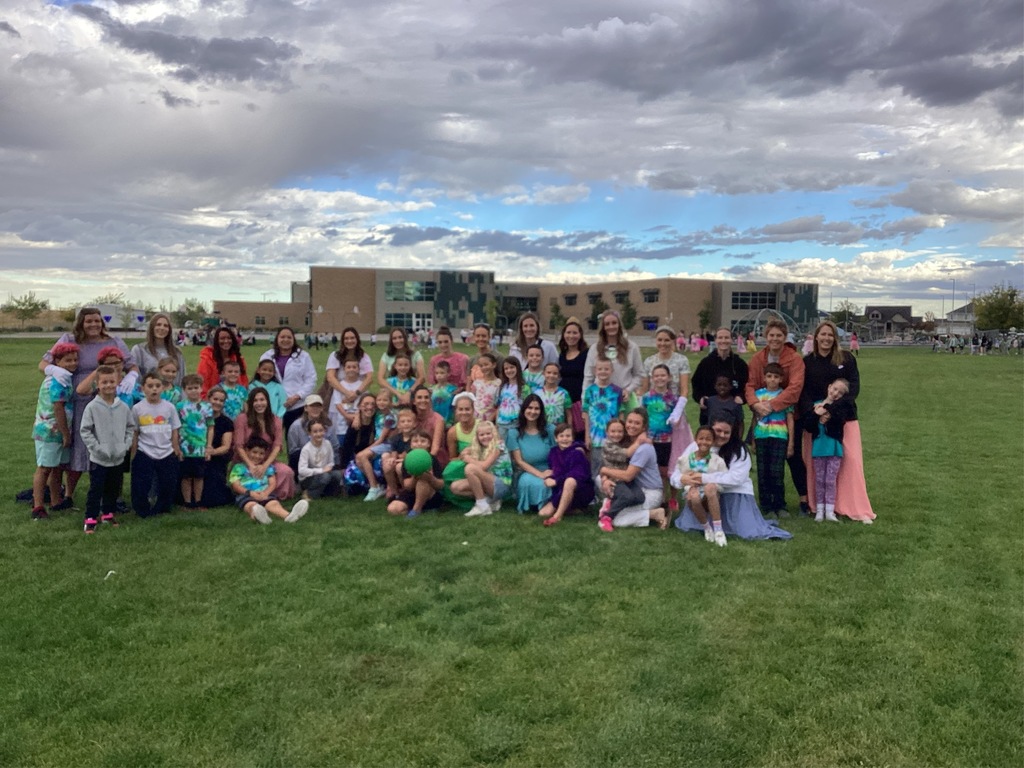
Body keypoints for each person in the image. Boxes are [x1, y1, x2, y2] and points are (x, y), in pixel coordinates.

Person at [40, 307, 134, 504]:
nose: (93, 324)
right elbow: (44, 363)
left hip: (105, 399)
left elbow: (131, 365)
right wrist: (53, 370)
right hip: (76, 401)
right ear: (81, 323)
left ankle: (108, 495)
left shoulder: (113, 341)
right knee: (77, 449)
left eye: (97, 320)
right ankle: (67, 494)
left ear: (102, 322)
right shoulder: (69, 339)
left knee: (104, 444)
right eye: (89, 321)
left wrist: (131, 376)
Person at [799, 320, 875, 523]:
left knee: (850, 462)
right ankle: (819, 506)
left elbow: (854, 388)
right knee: (817, 465)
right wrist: (816, 412)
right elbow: (803, 392)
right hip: (816, 422)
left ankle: (851, 506)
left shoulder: (847, 359)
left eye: (830, 335)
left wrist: (831, 410)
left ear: (835, 338)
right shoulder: (808, 362)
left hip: (844, 418)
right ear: (816, 337)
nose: (826, 338)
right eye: (823, 334)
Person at [673, 418, 792, 540]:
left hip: (734, 494)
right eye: (718, 431)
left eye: (726, 432)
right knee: (695, 501)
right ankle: (707, 527)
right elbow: (676, 472)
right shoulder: (697, 445)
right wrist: (682, 479)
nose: (722, 435)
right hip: (702, 494)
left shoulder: (739, 450)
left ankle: (719, 529)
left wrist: (703, 478)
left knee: (746, 532)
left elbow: (736, 479)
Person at [744, 318, 807, 513]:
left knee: (793, 461)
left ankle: (804, 500)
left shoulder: (794, 359)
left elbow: (795, 388)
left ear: (785, 337)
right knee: (763, 467)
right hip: (762, 420)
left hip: (787, 417)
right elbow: (750, 385)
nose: (775, 339)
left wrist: (771, 405)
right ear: (766, 336)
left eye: (779, 335)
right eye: (771, 335)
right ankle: (766, 503)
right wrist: (755, 404)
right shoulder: (758, 359)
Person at [79, 364, 135, 532]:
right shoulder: (92, 407)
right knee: (96, 489)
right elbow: (85, 430)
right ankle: (90, 517)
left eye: (112, 382)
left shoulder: (122, 407)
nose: (108, 385)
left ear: (117, 382)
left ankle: (108, 514)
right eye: (104, 382)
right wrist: (96, 448)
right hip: (99, 458)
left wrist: (125, 445)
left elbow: (130, 427)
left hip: (118, 456)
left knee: (113, 488)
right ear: (97, 384)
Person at [597, 408, 669, 529]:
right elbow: (610, 460)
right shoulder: (627, 441)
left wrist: (605, 471)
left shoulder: (643, 448)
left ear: (644, 427)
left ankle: (655, 514)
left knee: (618, 520)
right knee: (599, 480)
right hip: (635, 488)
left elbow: (628, 476)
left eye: (637, 423)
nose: (632, 426)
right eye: (629, 421)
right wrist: (605, 479)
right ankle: (611, 503)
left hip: (650, 493)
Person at [31, 342, 79, 519]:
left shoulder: (64, 378)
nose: (73, 363)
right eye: (68, 360)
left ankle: (56, 501)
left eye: (75, 360)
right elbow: (58, 408)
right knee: (44, 468)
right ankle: (38, 506)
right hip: (50, 432)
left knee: (58, 467)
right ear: (57, 362)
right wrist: (65, 434)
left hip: (60, 430)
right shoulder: (57, 381)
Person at [131, 372, 183, 518]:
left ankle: (163, 508)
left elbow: (174, 429)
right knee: (141, 484)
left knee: (168, 483)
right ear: (143, 388)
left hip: (166, 451)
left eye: (157, 386)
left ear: (163, 388)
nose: (154, 389)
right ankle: (142, 509)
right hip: (145, 450)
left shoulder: (169, 407)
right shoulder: (138, 408)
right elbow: (135, 432)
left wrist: (175, 448)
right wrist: (134, 452)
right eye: (150, 386)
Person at [232, 388, 296, 500]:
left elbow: (277, 446)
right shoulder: (242, 419)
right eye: (255, 400)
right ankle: (251, 494)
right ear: (251, 403)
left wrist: (265, 466)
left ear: (267, 401)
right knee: (250, 474)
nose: (259, 403)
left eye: (262, 400)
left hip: (267, 460)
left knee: (286, 472)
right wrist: (251, 466)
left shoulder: (276, 420)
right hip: (245, 461)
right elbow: (239, 446)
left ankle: (270, 495)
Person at [230, 436, 309, 524]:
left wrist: (266, 493)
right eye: (254, 452)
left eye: (261, 453)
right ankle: (259, 516)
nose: (257, 456)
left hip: (265, 493)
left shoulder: (267, 468)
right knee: (251, 506)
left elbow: (272, 483)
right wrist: (250, 493)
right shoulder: (239, 467)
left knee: (273, 504)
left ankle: (288, 516)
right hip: (246, 495)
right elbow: (236, 485)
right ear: (247, 451)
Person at [671, 425, 728, 546]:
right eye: (701, 438)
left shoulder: (718, 461)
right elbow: (678, 476)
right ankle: (707, 528)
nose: (704, 442)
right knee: (694, 496)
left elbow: (724, 480)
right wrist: (687, 485)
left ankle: (718, 530)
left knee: (710, 488)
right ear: (696, 440)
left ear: (713, 442)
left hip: (711, 493)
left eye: (708, 439)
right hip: (693, 491)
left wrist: (712, 484)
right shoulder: (684, 460)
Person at [804, 378, 852, 522]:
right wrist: (817, 415)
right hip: (819, 448)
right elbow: (808, 426)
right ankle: (819, 510)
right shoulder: (816, 405)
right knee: (820, 480)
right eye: (835, 389)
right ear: (829, 387)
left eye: (840, 393)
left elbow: (840, 419)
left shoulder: (839, 408)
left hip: (834, 449)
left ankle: (830, 510)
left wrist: (826, 410)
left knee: (830, 480)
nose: (835, 393)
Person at [751, 363, 795, 518]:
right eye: (769, 376)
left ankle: (780, 505)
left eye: (776, 377)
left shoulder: (784, 396)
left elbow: (790, 418)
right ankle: (766, 506)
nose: (772, 380)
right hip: (761, 436)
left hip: (779, 436)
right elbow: (755, 418)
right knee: (763, 472)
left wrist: (791, 443)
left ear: (781, 379)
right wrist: (753, 439)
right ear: (764, 378)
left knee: (777, 472)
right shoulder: (758, 395)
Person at [259, 326, 317, 436]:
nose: (285, 340)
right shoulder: (267, 356)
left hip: (297, 406)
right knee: (269, 437)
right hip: (273, 406)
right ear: (277, 338)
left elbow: (311, 379)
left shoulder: (303, 356)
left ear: (293, 339)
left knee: (296, 439)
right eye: (282, 337)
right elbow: (261, 379)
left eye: (289, 337)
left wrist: (297, 396)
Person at [581, 310, 644, 407]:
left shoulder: (632, 347)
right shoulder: (594, 349)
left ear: (619, 325)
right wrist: (585, 401)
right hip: (601, 400)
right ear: (603, 327)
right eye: (607, 324)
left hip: (625, 398)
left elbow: (639, 375)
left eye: (614, 323)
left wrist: (628, 390)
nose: (611, 326)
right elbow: (588, 377)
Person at [506, 394, 557, 513]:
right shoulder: (514, 433)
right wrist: (540, 474)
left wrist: (553, 472)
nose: (533, 412)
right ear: (524, 409)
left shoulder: (550, 430)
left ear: (541, 411)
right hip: (526, 472)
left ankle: (554, 504)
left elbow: (559, 454)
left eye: (537, 408)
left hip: (550, 470)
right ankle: (544, 505)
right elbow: (519, 461)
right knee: (534, 483)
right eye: (529, 408)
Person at [450, 420, 512, 517]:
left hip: (501, 484)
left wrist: (469, 459)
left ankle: (481, 505)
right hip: (488, 482)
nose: (485, 437)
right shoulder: (480, 447)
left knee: (470, 468)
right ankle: (491, 501)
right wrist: (465, 452)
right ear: (477, 437)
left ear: (494, 434)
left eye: (488, 433)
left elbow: (484, 466)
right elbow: (463, 455)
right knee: (455, 487)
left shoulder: (499, 445)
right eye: (482, 435)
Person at [537, 422, 595, 526]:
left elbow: (578, 474)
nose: (565, 439)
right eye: (561, 436)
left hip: (580, 488)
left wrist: (556, 481)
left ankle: (557, 516)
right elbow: (553, 470)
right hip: (560, 488)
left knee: (570, 480)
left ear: (573, 438)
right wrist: (549, 477)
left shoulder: (577, 452)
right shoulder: (553, 452)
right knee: (543, 513)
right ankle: (573, 510)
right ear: (556, 439)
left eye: (568, 436)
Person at [692, 327, 749, 427]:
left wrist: (742, 397)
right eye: (720, 337)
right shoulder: (706, 363)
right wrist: (700, 398)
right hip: (710, 411)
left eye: (726, 337)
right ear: (715, 340)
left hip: (732, 411)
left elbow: (748, 384)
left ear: (732, 340)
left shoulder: (739, 364)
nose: (723, 340)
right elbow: (696, 383)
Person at [385, 430, 446, 518]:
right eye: (415, 441)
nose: (419, 444)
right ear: (411, 445)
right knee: (393, 509)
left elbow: (441, 485)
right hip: (412, 493)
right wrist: (414, 477)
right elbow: (408, 486)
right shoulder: (408, 460)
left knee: (423, 480)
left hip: (429, 493)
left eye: (423, 441)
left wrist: (431, 478)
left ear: (428, 444)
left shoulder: (432, 459)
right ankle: (417, 508)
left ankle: (417, 510)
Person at [177, 373, 214, 509]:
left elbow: (210, 427)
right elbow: (176, 427)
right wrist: (177, 447)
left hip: (200, 448)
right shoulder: (179, 406)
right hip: (185, 447)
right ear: (184, 390)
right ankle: (187, 502)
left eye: (196, 388)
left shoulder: (207, 407)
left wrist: (208, 446)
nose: (193, 391)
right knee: (186, 477)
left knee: (199, 476)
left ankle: (198, 501)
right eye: (190, 388)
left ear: (201, 388)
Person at [583, 358, 624, 481]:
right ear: (595, 371)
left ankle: (611, 489)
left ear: (612, 371)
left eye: (606, 369)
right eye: (600, 369)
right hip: (595, 435)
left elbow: (621, 413)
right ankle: (596, 490)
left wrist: (622, 433)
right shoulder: (590, 390)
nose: (603, 371)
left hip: (613, 436)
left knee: (612, 465)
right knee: (596, 465)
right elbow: (586, 414)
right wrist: (587, 435)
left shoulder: (617, 391)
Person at [325, 327, 374, 415]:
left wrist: (356, 394)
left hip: (359, 394)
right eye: (346, 338)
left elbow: (369, 378)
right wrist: (347, 393)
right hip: (340, 394)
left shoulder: (364, 357)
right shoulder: (335, 356)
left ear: (357, 339)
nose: (349, 341)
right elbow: (330, 378)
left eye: (352, 338)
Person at [200, 386, 235, 507]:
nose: (218, 403)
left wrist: (211, 452)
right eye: (215, 399)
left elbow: (226, 447)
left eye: (221, 401)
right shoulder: (199, 417)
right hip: (196, 455)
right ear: (208, 399)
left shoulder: (226, 422)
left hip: (216, 458)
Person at [130, 313, 185, 385]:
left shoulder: (176, 352)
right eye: (158, 325)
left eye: (165, 326)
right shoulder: (139, 350)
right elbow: (135, 378)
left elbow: (182, 378)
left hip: (173, 392)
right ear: (152, 327)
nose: (162, 328)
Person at [557, 318, 589, 439]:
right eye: (568, 332)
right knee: (565, 434)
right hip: (564, 402)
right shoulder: (562, 355)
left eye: (575, 333)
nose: (571, 336)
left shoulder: (586, 354)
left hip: (579, 401)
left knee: (580, 434)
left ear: (580, 335)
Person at [298, 420, 343, 499]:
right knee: (325, 477)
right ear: (309, 433)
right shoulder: (306, 449)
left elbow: (331, 462)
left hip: (324, 473)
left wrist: (328, 468)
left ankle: (326, 493)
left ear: (324, 431)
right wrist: (321, 470)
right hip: (309, 478)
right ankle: (309, 493)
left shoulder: (327, 444)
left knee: (337, 475)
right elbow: (301, 470)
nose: (318, 434)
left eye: (321, 431)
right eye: (315, 432)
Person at [197, 326, 248, 396]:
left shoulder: (238, 359)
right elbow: (202, 383)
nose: (226, 341)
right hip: (214, 399)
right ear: (216, 341)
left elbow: (244, 382)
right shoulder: (207, 359)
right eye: (222, 338)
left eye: (229, 338)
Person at [377, 327, 425, 395]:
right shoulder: (386, 356)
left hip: (411, 391)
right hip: (392, 392)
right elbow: (380, 379)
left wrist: (409, 393)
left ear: (405, 338)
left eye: (400, 337)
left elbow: (422, 377)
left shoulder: (415, 355)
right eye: (394, 338)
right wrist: (397, 393)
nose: (398, 340)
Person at [411, 386, 448, 464]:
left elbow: (435, 449)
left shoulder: (438, 419)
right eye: (419, 397)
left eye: (426, 397)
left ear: (430, 400)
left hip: (434, 458)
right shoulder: (411, 418)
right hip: (414, 455)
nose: (423, 400)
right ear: (414, 401)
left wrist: (423, 461)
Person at [496, 357, 529, 439]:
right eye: (506, 368)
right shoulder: (502, 387)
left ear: (518, 368)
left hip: (516, 424)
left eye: (512, 367)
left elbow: (527, 407)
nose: (509, 370)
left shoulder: (524, 388)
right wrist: (497, 423)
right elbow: (499, 406)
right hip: (502, 424)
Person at [468, 352, 500, 422]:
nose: (484, 368)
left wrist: (491, 418)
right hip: (475, 419)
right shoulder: (477, 383)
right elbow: (471, 400)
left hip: (489, 419)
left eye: (486, 364)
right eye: (481, 366)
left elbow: (499, 405)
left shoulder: (499, 384)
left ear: (494, 365)